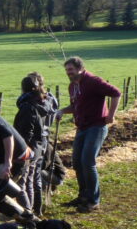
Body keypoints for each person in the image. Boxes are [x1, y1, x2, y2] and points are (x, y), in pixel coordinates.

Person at [59, 56, 121, 213]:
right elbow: (75, 106)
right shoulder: (72, 86)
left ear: (80, 68)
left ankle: (93, 201)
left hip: (97, 126)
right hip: (81, 127)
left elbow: (116, 93)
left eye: (71, 69)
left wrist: (111, 114)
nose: (68, 73)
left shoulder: (93, 81)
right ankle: (83, 196)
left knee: (87, 161)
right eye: (67, 70)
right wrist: (60, 111)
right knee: (77, 162)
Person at [13, 72, 58, 216]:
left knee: (25, 180)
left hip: (31, 145)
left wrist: (22, 147)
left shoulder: (28, 105)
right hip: (42, 142)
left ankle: (27, 212)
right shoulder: (48, 100)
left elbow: (27, 130)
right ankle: (37, 209)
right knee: (35, 176)